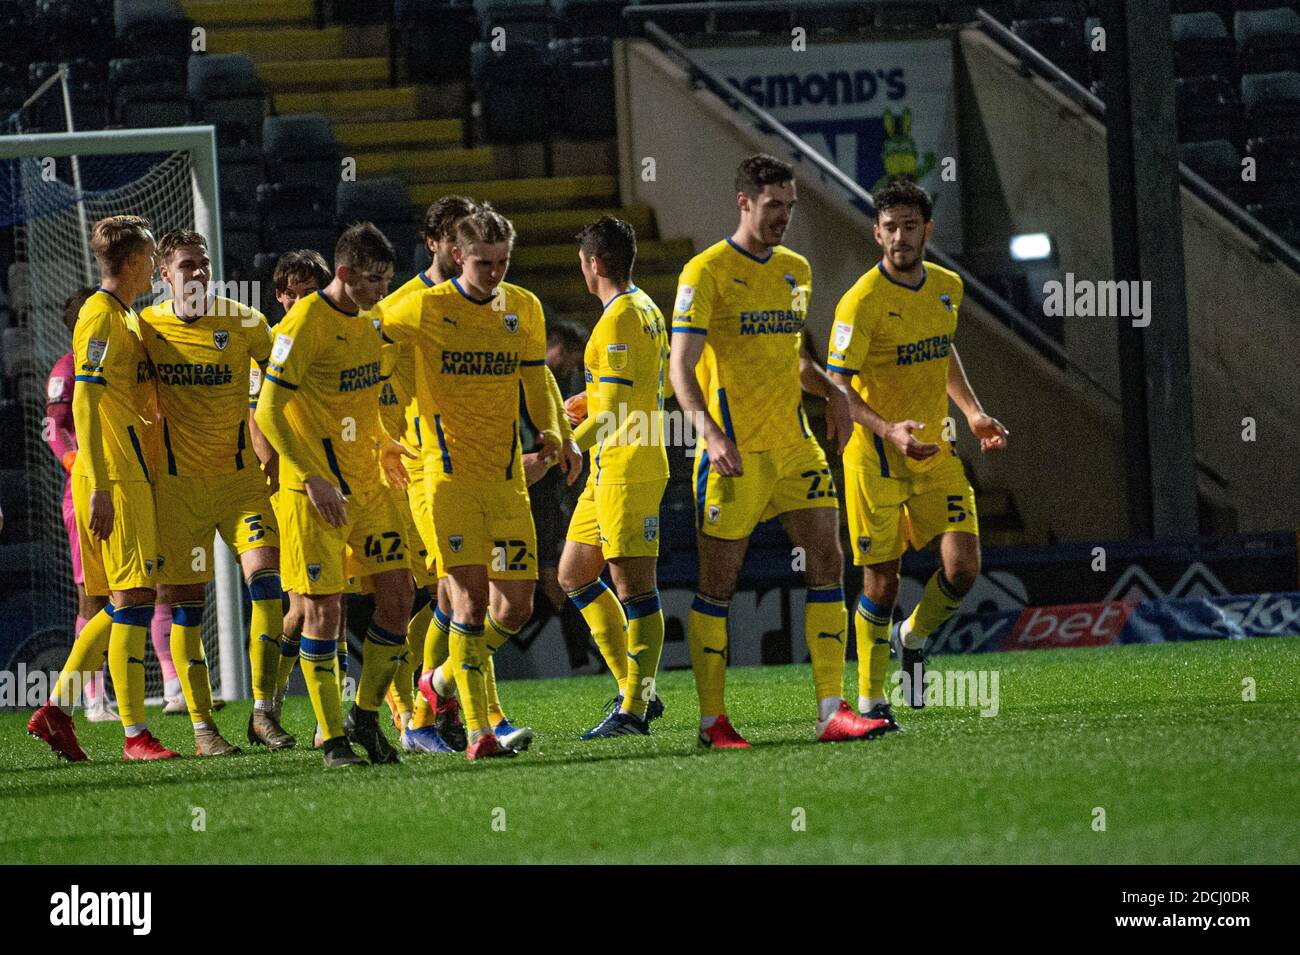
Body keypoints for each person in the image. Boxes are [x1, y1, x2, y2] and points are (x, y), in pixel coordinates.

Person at [669, 155, 891, 748]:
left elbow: (790, 358)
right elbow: (680, 367)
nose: (783, 218)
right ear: (743, 202)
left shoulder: (795, 270)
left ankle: (830, 709)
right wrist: (710, 434)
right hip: (734, 451)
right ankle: (712, 721)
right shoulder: (705, 272)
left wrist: (834, 391)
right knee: (719, 582)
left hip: (795, 447)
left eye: (790, 208)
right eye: (773, 207)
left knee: (828, 562)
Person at [379, 207, 580, 759]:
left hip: (507, 478)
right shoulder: (420, 307)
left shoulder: (523, 307)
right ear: (456, 256)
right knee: (465, 603)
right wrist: (379, 436)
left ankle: (437, 684)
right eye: (483, 263)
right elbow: (357, 340)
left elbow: (535, 378)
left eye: (502, 262)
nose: (493, 273)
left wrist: (552, 430)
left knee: (513, 609)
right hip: (446, 481)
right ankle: (477, 732)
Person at [825, 176, 1008, 724]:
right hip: (875, 460)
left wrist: (972, 411)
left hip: (936, 451)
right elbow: (837, 389)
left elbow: (941, 350)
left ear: (926, 230)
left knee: (963, 568)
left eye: (909, 226)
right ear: (876, 234)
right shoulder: (860, 303)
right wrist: (888, 430)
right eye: (890, 228)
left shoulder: (948, 286)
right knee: (880, 580)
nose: (900, 237)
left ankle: (915, 634)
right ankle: (872, 699)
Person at [255, 223, 415, 768]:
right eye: (373, 279)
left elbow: (362, 403)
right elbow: (267, 411)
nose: (381, 289)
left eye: (388, 279)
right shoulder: (303, 324)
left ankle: (365, 717)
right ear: (345, 274)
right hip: (313, 493)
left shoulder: (371, 322)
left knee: (398, 595)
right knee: (322, 612)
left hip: (367, 486)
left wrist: (384, 441)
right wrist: (311, 475)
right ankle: (331, 738)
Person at [28, 214, 179, 761]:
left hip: (124, 474)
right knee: (133, 598)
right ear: (136, 262)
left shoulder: (125, 317)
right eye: (151, 260)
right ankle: (135, 734)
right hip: (112, 478)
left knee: (123, 600)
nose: (156, 270)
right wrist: (99, 485)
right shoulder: (98, 316)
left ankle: (57, 710)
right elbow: (85, 406)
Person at [139, 228, 291, 755]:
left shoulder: (245, 321)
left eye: (203, 263)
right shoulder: (146, 329)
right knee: (186, 609)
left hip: (242, 484)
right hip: (179, 492)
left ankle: (264, 712)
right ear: (164, 275)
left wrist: (276, 445)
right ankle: (204, 729)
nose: (198, 272)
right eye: (186, 265)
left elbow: (286, 380)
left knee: (269, 588)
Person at [558, 216, 670, 738]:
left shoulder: (620, 319)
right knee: (575, 573)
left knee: (633, 587)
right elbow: (650, 392)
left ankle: (633, 710)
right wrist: (587, 403)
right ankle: (637, 687)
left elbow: (617, 409)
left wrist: (564, 446)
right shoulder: (648, 309)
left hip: (629, 467)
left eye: (583, 262)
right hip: (612, 467)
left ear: (595, 263)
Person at [253, 250, 332, 733]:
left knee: (324, 601)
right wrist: (279, 472)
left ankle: (280, 710)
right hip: (294, 488)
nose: (300, 301)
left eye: (309, 292)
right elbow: (259, 417)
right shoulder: (271, 347)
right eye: (293, 293)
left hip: (337, 483)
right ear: (280, 297)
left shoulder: (330, 337)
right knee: (305, 606)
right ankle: (268, 706)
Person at [44, 286, 118, 723]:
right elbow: (53, 429)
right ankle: (92, 696)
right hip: (86, 492)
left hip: (128, 485)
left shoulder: (122, 365)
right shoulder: (67, 369)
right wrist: (76, 463)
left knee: (133, 593)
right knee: (92, 597)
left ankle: (166, 688)